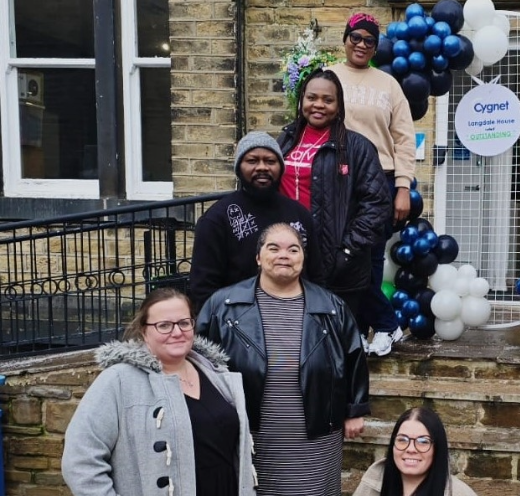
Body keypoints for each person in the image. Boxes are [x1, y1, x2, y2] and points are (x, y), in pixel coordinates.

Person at [196, 222, 370, 495]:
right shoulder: (222, 306)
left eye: (293, 249)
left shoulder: (332, 308)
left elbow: (353, 357)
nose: (284, 255)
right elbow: (198, 363)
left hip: (315, 436)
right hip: (250, 433)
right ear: (258, 257)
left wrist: (355, 409)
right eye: (273, 248)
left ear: (303, 258)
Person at [62, 288, 257, 496]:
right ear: (144, 332)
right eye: (164, 325)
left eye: (184, 323)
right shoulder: (118, 380)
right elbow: (80, 461)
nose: (176, 332)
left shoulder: (216, 374)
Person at [277, 68, 392, 336]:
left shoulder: (357, 147)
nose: (318, 105)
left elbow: (376, 205)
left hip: (336, 266)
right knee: (291, 341)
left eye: (328, 100)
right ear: (301, 100)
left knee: (334, 347)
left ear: (339, 105)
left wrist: (347, 252)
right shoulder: (285, 140)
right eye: (312, 97)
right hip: (287, 258)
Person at [329, 12, 416, 357]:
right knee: (340, 257)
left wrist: (402, 186)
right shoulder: (328, 77)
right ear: (346, 39)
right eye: (356, 38)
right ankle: (381, 324)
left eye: (370, 40)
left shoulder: (388, 85)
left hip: (378, 178)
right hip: (335, 177)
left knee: (370, 258)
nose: (362, 45)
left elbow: (404, 139)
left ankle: (382, 325)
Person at [189, 130, 322, 311]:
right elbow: (202, 288)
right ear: (239, 168)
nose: (262, 167)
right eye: (252, 161)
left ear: (280, 167)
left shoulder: (299, 213)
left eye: (270, 161)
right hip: (237, 320)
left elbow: (317, 275)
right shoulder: (217, 219)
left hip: (296, 316)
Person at [353, 407, 478, 496]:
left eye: (423, 442)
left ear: (437, 448)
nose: (411, 449)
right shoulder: (373, 481)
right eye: (402, 440)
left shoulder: (459, 493)